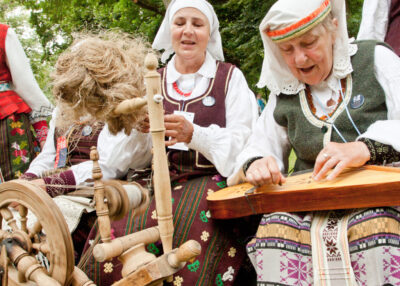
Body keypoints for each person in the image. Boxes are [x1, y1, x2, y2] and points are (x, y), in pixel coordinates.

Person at [78, 0, 259, 285]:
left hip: (207, 181)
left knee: (189, 224)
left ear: (209, 33)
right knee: (118, 230)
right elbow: (121, 157)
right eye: (180, 23)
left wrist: (194, 135)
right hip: (152, 180)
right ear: (170, 29)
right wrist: (136, 130)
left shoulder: (229, 78)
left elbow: (246, 142)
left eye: (197, 25)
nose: (188, 31)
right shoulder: (152, 79)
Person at [228, 0, 400, 284]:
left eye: (308, 43)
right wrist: (257, 163)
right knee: (274, 229)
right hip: (309, 208)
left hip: (380, 198)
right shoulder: (284, 92)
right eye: (287, 49)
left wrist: (364, 148)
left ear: (333, 28)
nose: (299, 59)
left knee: (375, 229)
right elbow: (258, 145)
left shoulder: (375, 59)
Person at [21, 32, 153, 260]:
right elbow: (49, 154)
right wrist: (27, 182)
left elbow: (109, 166)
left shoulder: (119, 109)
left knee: (48, 222)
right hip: (53, 192)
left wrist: (49, 185)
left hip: (93, 195)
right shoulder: (62, 110)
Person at [0, 23, 53, 181]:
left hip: (7, 118)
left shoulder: (3, 33)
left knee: (16, 188)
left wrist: (43, 133)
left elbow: (25, 84)